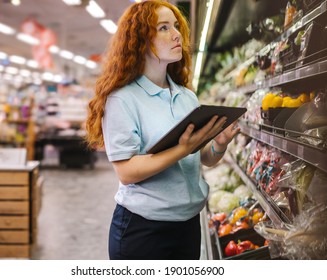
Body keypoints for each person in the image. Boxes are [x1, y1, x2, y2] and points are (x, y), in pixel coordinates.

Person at [85, 0, 240, 260]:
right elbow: (126, 172)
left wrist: (219, 143)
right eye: (164, 28)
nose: (177, 34)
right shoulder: (122, 99)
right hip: (144, 230)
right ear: (140, 39)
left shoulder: (187, 97)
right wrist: (182, 149)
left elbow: (204, 158)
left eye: (176, 26)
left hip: (188, 224)